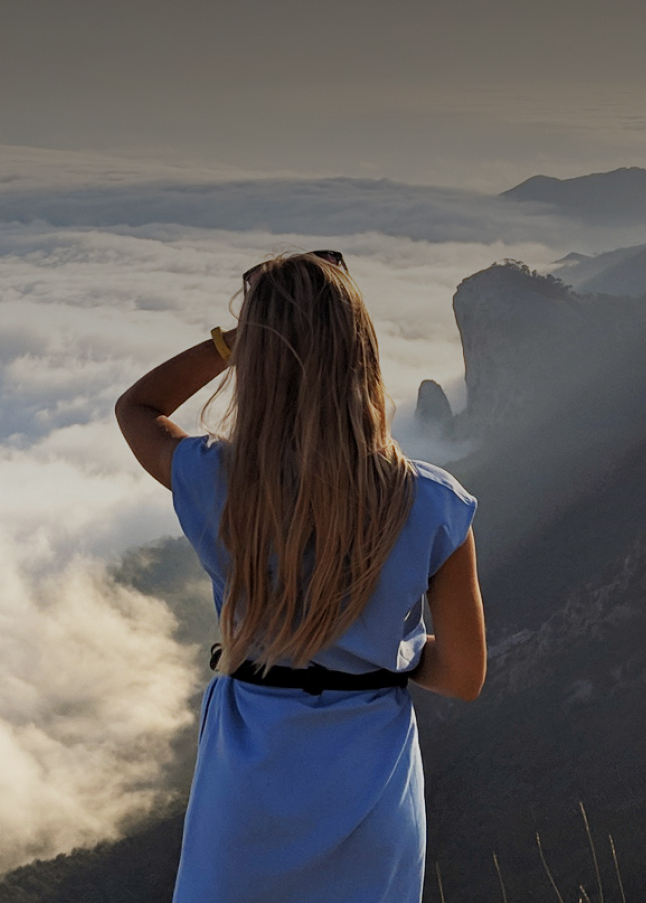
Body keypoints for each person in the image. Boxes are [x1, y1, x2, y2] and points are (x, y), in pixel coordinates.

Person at [114, 250, 486, 903]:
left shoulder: (217, 482)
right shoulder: (433, 503)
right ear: (361, 353)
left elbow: (137, 407)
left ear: (258, 360)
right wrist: (384, 651)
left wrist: (232, 344)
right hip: (370, 792)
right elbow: (462, 675)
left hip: (247, 793)